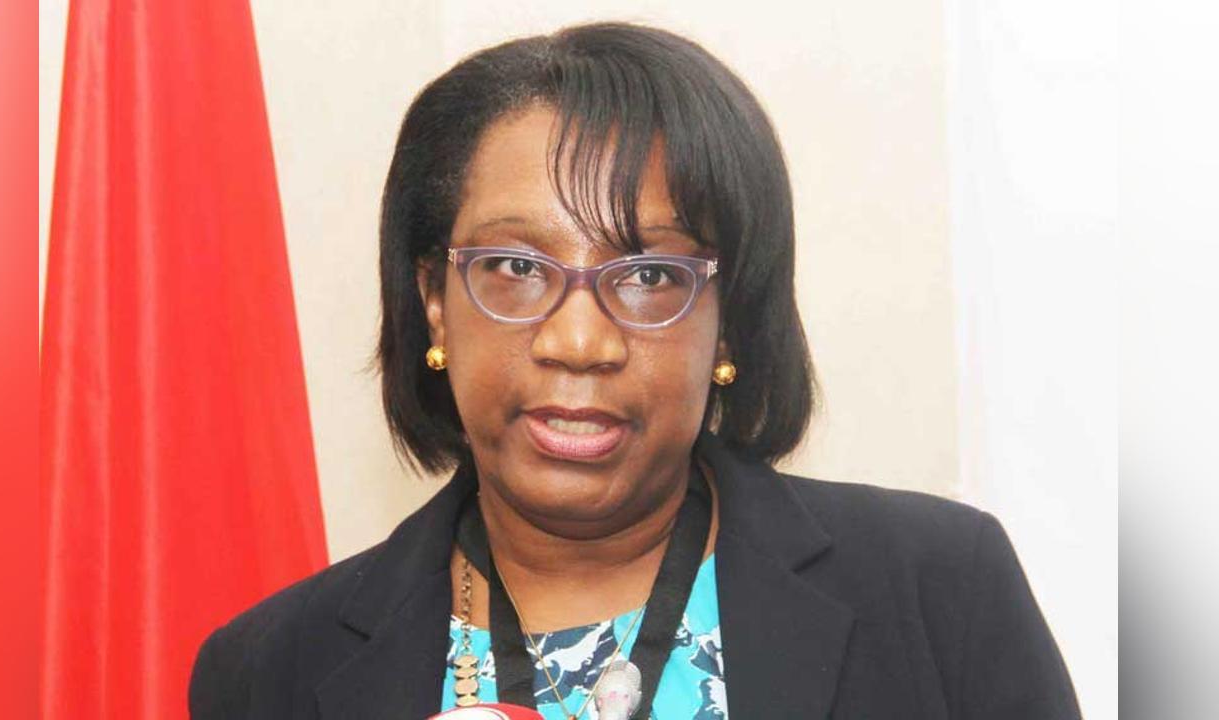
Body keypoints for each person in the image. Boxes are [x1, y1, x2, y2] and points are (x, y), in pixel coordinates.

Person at [189, 22, 1080, 720]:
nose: (579, 342)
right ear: (433, 304)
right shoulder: (269, 671)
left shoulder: (939, 590)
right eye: (516, 267)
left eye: (649, 276)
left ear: (728, 322)